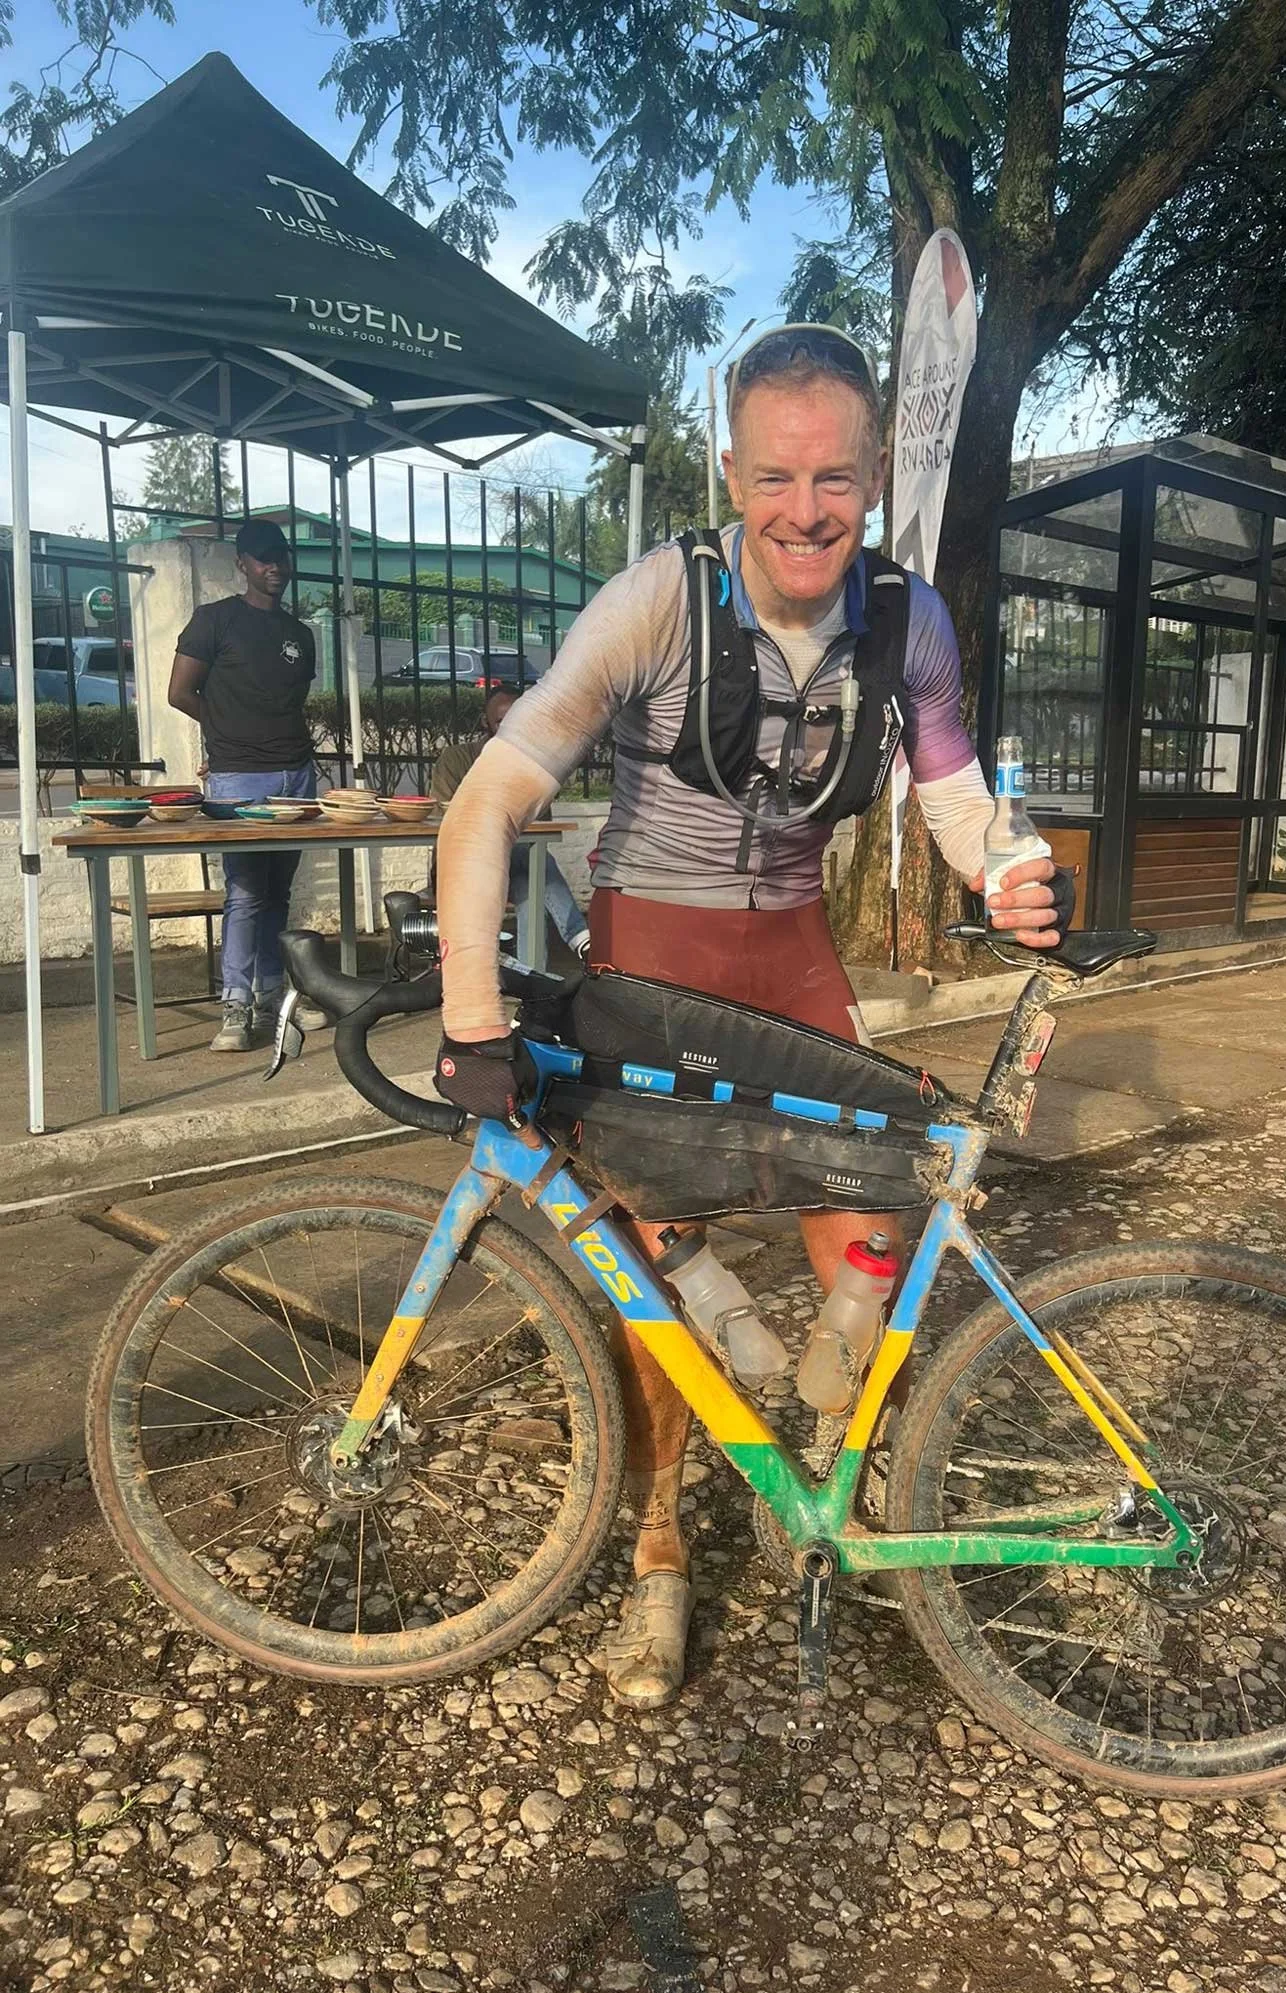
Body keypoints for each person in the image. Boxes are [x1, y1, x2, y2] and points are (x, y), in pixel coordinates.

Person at [432, 323, 1071, 1710]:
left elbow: (955, 794)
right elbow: (487, 800)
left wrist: (1014, 872)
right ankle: (661, 1553)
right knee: (658, 1287)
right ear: (731, 471)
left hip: (794, 955)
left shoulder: (907, 620)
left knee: (871, 1244)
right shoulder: (655, 603)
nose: (805, 511)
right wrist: (474, 1017)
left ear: (872, 481)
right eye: (776, 478)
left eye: (835, 479)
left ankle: (821, 1503)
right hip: (651, 959)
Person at [169, 519, 325, 1052]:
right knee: (244, 892)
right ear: (242, 564)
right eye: (262, 558)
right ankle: (234, 1006)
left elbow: (288, 703)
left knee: (278, 891)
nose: (274, 566)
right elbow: (179, 692)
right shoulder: (214, 621)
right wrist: (225, 734)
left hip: (294, 775)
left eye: (280, 556)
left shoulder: (300, 635)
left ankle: (272, 996)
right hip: (237, 777)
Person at [430, 686, 590, 965]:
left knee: (531, 885)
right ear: (486, 722)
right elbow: (447, 816)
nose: (512, 727)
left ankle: (532, 982)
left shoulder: (532, 764)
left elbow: (542, 825)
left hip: (514, 864)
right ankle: (579, 936)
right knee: (529, 856)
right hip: (464, 865)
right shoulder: (456, 759)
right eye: (502, 721)